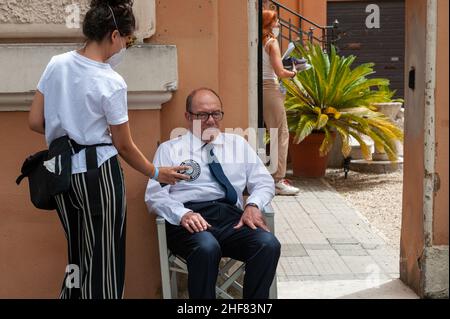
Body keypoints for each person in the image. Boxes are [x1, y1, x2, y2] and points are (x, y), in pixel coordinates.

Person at [28, 0, 188, 299]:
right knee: (105, 260)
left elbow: (36, 121)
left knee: (77, 255)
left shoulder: (57, 64)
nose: (125, 46)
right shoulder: (111, 81)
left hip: (61, 173)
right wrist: (157, 172)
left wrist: (67, 125)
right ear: (114, 35)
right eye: (127, 39)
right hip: (98, 175)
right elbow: (124, 145)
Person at [145, 88, 281, 299]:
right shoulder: (170, 149)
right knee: (207, 247)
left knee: (268, 244)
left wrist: (253, 205)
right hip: (189, 222)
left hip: (231, 220)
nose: (210, 120)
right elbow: (155, 195)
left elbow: (263, 181)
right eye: (202, 115)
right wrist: (183, 215)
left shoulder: (238, 144)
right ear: (188, 117)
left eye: (216, 114)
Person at [262, 9, 301, 195]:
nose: (278, 26)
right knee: (281, 134)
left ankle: (271, 176)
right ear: (269, 24)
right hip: (270, 88)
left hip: (260, 89)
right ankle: (277, 180)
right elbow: (279, 72)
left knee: (267, 132)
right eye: (276, 23)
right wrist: (293, 72)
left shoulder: (258, 42)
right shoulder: (272, 43)